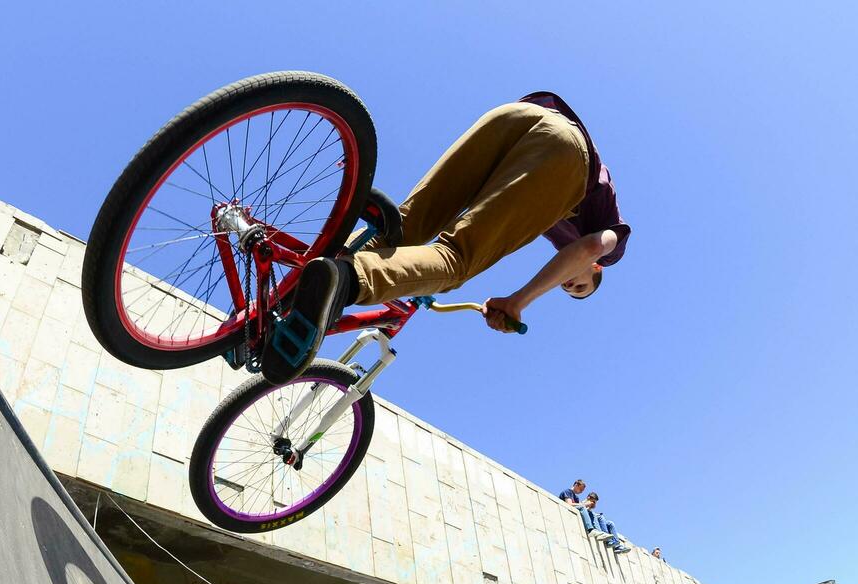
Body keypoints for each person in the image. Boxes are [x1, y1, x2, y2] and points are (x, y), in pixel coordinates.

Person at [263, 91, 630, 383]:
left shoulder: (554, 225)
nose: (569, 284)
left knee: (404, 227)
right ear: (596, 270)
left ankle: (290, 294)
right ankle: (344, 280)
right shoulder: (609, 246)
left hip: (518, 115)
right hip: (567, 152)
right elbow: (590, 248)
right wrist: (519, 300)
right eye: (579, 286)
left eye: (569, 290)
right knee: (457, 259)